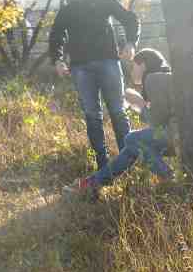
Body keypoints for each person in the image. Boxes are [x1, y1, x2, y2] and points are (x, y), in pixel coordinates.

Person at [49, 0, 140, 170]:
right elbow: (56, 37)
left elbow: (130, 19)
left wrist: (131, 43)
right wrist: (58, 60)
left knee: (117, 111)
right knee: (92, 115)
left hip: (108, 62)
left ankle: (129, 164)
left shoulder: (104, 0)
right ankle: (103, 167)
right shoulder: (66, 11)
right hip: (81, 68)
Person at [65, 48, 176, 197]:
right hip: (179, 132)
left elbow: (157, 122)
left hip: (175, 132)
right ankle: (92, 183)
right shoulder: (167, 77)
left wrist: (139, 103)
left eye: (133, 66)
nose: (131, 71)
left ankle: (167, 175)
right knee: (132, 146)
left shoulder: (154, 78)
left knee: (131, 139)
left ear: (142, 64)